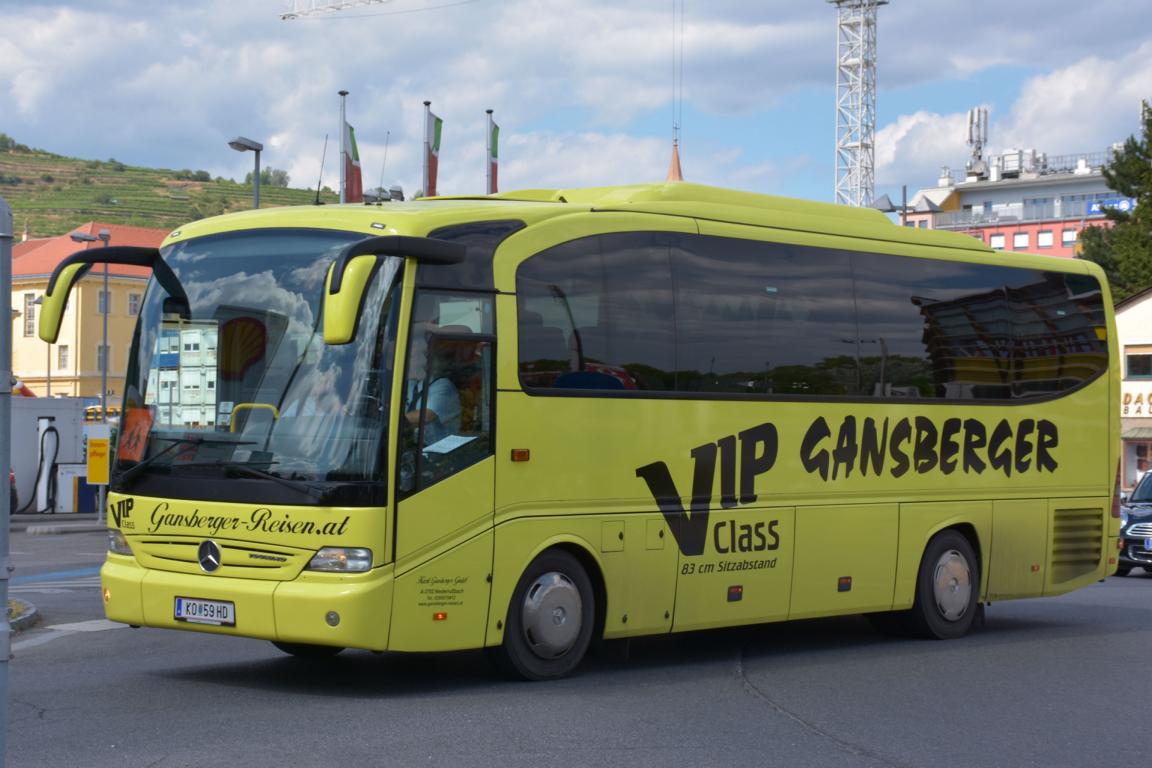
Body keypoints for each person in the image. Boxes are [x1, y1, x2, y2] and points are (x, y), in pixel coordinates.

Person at [404, 325, 461, 447]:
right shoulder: (410, 385)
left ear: (425, 361)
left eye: (411, 357)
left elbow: (427, 415)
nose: (405, 362)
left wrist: (391, 422)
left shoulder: (443, 386)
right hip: (414, 450)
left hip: (440, 455)